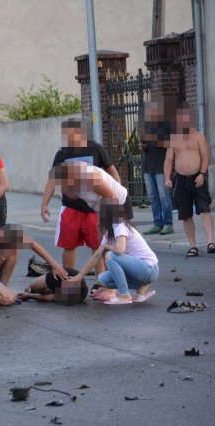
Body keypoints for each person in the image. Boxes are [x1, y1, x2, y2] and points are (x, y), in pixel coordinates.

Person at [41, 118, 122, 273]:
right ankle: (69, 280)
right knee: (69, 246)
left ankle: (101, 283)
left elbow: (111, 170)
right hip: (71, 208)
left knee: (97, 246)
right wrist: (44, 204)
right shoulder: (62, 153)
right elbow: (52, 181)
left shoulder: (95, 149)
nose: (68, 136)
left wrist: (117, 191)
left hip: (94, 209)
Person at [68, 199, 158, 305]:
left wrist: (105, 246)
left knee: (110, 255)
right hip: (140, 271)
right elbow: (97, 256)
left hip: (149, 269)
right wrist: (80, 275)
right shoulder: (109, 230)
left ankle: (125, 295)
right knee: (102, 279)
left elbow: (120, 250)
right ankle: (140, 286)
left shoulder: (120, 225)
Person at [164, 103, 214, 257]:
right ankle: (193, 246)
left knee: (205, 210)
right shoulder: (173, 139)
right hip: (181, 180)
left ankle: (211, 242)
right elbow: (168, 160)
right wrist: (167, 178)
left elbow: (206, 157)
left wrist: (202, 174)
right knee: (185, 214)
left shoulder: (198, 136)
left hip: (197, 178)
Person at [141, 99, 174, 235]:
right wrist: (141, 147)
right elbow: (143, 145)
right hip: (147, 166)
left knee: (164, 196)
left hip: (161, 166)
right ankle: (157, 223)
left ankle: (168, 224)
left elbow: (169, 145)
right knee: (153, 197)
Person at [17, 268, 88, 305]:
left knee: (34, 291)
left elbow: (50, 298)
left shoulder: (75, 296)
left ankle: (49, 289)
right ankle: (47, 283)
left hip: (70, 289)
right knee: (32, 287)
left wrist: (29, 296)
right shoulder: (63, 277)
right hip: (61, 275)